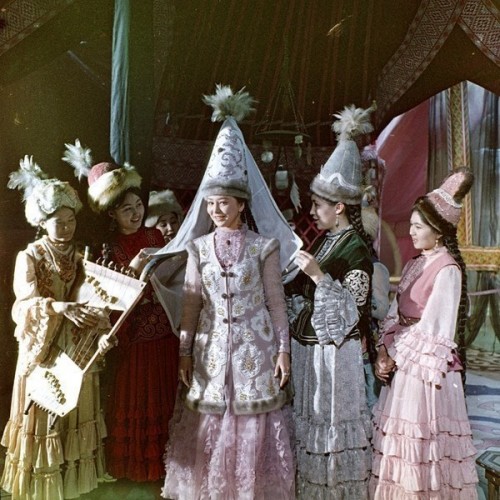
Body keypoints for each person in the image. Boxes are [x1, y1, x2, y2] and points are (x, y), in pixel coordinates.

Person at [161, 85, 298, 499]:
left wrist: (283, 351)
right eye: (210, 204)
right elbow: (191, 304)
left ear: (240, 204)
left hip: (255, 351)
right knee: (210, 422)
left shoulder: (264, 247)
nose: (215, 210)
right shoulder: (198, 248)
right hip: (211, 352)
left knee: (252, 422)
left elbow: (276, 302)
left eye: (223, 203)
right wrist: (185, 352)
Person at [63, 144, 180, 482]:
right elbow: (109, 297)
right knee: (139, 396)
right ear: (112, 214)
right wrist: (134, 268)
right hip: (135, 338)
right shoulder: (108, 249)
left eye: (138, 205)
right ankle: (137, 469)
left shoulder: (155, 234)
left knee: (165, 395)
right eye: (126, 209)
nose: (135, 213)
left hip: (163, 332)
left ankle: (168, 467)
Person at [2, 156, 111, 499]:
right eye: (58, 222)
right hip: (45, 343)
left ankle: (72, 484)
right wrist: (57, 307)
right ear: (42, 221)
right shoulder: (30, 256)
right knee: (45, 407)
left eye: (71, 220)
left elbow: (94, 298)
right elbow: (23, 306)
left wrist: (99, 327)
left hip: (75, 345)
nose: (66, 228)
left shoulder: (81, 257)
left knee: (73, 406)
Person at [285, 103, 376, 499]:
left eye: (318, 205)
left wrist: (318, 277)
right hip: (314, 352)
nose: (312, 211)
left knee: (333, 423)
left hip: (336, 357)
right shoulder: (327, 239)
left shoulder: (355, 249)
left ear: (339, 207)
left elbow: (352, 314)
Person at [371, 167, 479, 499]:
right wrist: (383, 350)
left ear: (438, 231)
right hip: (404, 361)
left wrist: (395, 356)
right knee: (399, 446)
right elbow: (396, 311)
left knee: (421, 447)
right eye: (412, 225)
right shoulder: (417, 262)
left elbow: (434, 330)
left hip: (425, 372)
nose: (411, 232)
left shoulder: (447, 269)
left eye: (418, 227)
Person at [361, 206, 391, 410]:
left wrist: (357, 301)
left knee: (370, 399)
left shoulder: (376, 268)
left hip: (368, 345)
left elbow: (382, 310)